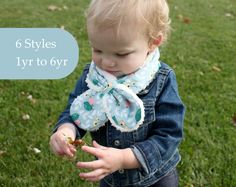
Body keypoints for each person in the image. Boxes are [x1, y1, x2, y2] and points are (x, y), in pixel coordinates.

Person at [49, 0, 185, 186]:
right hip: (112, 178)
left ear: (153, 42)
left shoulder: (161, 80)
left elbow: (169, 135)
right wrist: (66, 130)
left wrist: (124, 158)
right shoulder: (93, 78)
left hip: (157, 178)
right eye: (98, 50)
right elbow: (76, 110)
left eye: (121, 54)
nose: (107, 62)